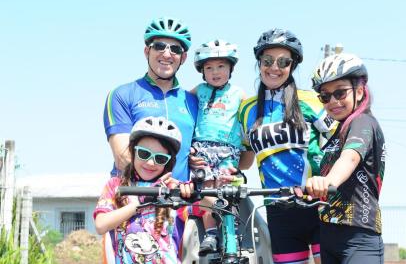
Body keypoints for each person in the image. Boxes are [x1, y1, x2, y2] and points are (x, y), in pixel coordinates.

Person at [238, 28, 336, 264]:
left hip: (318, 204)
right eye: (268, 60)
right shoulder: (247, 109)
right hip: (277, 210)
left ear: (292, 66)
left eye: (283, 61)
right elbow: (245, 160)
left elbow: (339, 143)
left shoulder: (310, 100)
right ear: (259, 63)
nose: (274, 67)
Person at [305, 53, 386, 263]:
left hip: (359, 235)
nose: (333, 101)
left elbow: (349, 158)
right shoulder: (338, 130)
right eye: (325, 96)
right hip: (329, 234)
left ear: (359, 91)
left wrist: (327, 181)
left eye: (340, 93)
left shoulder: (363, 122)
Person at [103, 16, 198, 181]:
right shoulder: (122, 94)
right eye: (160, 46)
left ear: (183, 58)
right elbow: (122, 157)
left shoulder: (193, 102)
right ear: (147, 51)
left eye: (175, 49)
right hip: (133, 197)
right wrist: (160, 188)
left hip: (179, 201)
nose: (167, 54)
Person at [94, 116, 195, 264]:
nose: (150, 162)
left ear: (169, 162)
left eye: (160, 158)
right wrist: (137, 204)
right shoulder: (116, 186)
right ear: (133, 152)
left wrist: (194, 192)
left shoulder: (174, 190)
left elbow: (209, 211)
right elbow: (101, 225)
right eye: (144, 153)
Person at [189, 39, 246, 255]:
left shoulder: (239, 94)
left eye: (221, 66)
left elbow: (250, 119)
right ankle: (211, 233)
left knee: (226, 189)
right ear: (202, 71)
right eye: (209, 67)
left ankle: (230, 233)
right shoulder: (198, 91)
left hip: (227, 149)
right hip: (202, 148)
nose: (215, 72)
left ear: (231, 68)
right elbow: (182, 110)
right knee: (207, 189)